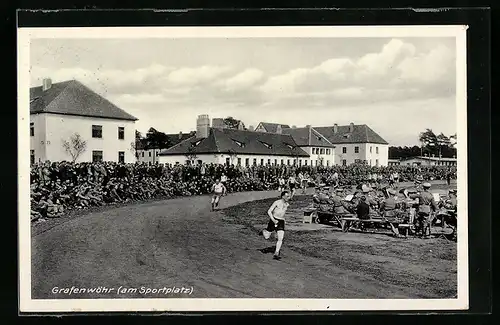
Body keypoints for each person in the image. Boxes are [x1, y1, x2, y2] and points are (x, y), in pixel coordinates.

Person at [259, 191, 291, 260]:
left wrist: (284, 221)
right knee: (267, 237)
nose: (289, 197)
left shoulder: (287, 204)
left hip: (281, 222)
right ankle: (264, 232)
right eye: (287, 196)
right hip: (273, 220)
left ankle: (276, 253)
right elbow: (269, 211)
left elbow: (283, 213)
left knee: (280, 238)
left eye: (289, 196)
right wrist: (273, 220)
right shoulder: (277, 202)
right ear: (283, 196)